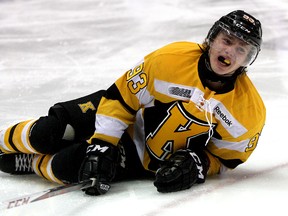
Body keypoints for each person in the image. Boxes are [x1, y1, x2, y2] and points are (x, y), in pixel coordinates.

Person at [0, 10, 265, 195]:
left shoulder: (248, 110)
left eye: (241, 49)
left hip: (142, 156)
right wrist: (103, 143)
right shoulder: (170, 60)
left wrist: (199, 164)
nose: (230, 51)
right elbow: (122, 97)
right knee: (48, 132)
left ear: (247, 59)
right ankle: (4, 141)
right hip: (120, 114)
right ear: (212, 39)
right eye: (226, 40)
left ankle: (33, 163)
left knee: (67, 166)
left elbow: (225, 158)